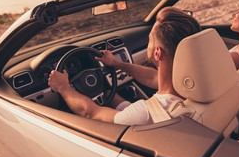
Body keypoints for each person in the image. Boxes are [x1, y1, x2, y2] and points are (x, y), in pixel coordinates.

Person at [48, 8, 201, 125]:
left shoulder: (146, 113)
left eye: (149, 41)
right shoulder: (200, 83)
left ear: (157, 53)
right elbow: (154, 77)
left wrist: (64, 87)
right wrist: (117, 64)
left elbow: (92, 113)